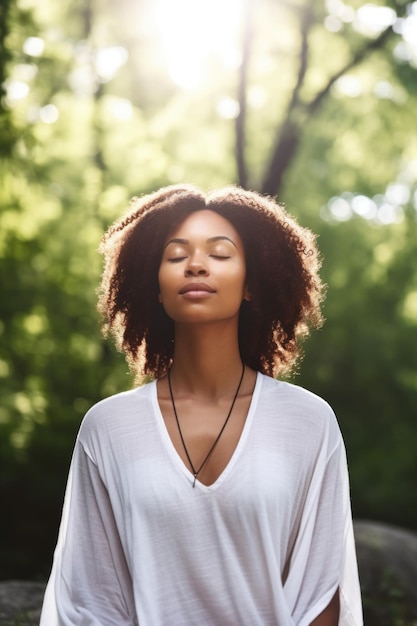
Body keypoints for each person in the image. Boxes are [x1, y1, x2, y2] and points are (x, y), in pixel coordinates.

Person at [40, 184, 363, 625]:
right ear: (154, 286)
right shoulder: (108, 427)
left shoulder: (308, 422)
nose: (195, 265)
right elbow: (89, 598)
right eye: (175, 256)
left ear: (250, 283)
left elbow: (322, 594)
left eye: (220, 254)